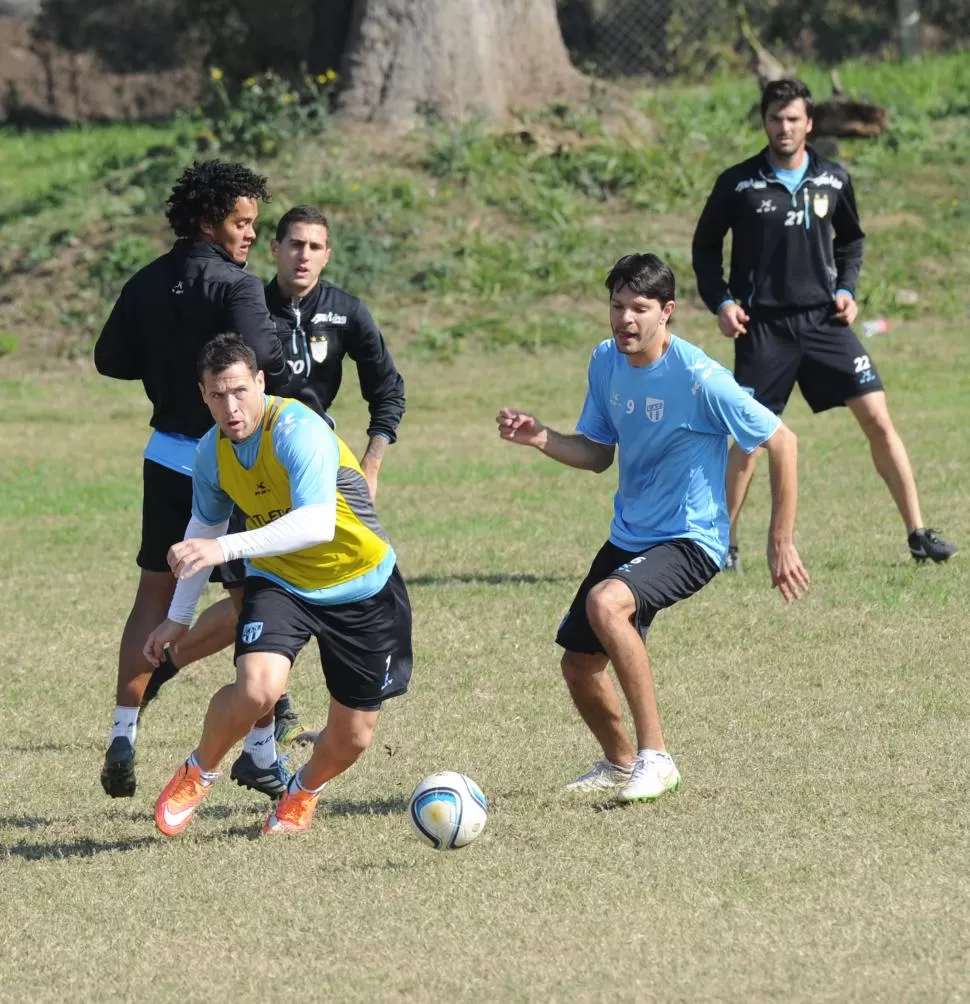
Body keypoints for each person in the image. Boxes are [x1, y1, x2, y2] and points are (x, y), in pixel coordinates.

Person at [496, 253, 809, 803]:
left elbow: (782, 440)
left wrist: (779, 540)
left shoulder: (698, 376)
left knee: (606, 603)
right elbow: (597, 454)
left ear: (666, 312)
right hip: (631, 534)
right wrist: (541, 437)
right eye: (617, 306)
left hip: (691, 538)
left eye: (639, 308)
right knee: (579, 666)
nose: (625, 320)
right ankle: (620, 764)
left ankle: (656, 757)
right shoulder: (605, 362)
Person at [137, 204, 406, 734]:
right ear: (276, 249)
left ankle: (245, 692)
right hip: (243, 466)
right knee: (248, 597)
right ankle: (256, 700)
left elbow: (387, 389)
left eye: (315, 246)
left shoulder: (346, 311)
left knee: (273, 590)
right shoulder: (249, 306)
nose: (303, 255)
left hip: (309, 466)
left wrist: (372, 461)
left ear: (327, 254)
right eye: (294, 244)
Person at [93, 160, 308, 802]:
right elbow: (264, 360)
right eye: (241, 223)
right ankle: (261, 753)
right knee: (256, 601)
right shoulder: (236, 287)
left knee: (152, 596)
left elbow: (109, 358)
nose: (249, 235)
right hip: (229, 459)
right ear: (209, 221)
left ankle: (124, 731)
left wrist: (167, 361)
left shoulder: (146, 280)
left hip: (164, 456)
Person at [144, 333, 413, 837]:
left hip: (362, 585)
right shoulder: (211, 453)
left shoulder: (296, 428)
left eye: (240, 391)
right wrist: (179, 617)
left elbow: (316, 523)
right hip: (281, 581)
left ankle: (303, 791)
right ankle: (198, 771)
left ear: (260, 383)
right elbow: (202, 532)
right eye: (218, 395)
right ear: (202, 395)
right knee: (257, 689)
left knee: (353, 736)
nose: (231, 407)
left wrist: (224, 549)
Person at [691, 77, 957, 573]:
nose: (784, 127)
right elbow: (704, 248)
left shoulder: (833, 179)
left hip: (824, 323)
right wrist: (722, 302)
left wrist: (847, 289)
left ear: (809, 123)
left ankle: (919, 533)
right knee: (749, 441)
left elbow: (851, 241)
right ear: (764, 123)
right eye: (775, 118)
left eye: (793, 119)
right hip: (763, 327)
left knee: (879, 419)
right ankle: (718, 545)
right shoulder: (738, 183)